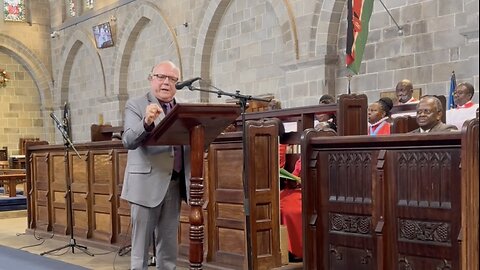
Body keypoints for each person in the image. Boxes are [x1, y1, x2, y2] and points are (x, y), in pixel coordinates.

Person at [121, 60, 190, 270]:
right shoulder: (136, 105)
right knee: (140, 248)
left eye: (172, 79)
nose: (166, 82)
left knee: (168, 247)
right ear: (151, 79)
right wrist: (146, 122)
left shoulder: (183, 108)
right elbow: (128, 140)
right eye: (161, 77)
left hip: (174, 183)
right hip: (146, 184)